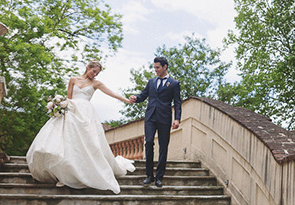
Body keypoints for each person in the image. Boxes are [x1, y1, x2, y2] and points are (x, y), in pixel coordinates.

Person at [26, 61, 135, 194]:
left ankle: (83, 173)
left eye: (97, 73)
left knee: (88, 143)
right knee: (67, 142)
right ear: (87, 68)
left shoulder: (96, 83)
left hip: (87, 114)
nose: (95, 75)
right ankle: (65, 175)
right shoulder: (73, 79)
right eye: (94, 71)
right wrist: (61, 107)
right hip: (72, 112)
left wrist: (126, 100)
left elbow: (111, 93)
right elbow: (69, 98)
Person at [129, 56, 181, 188]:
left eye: (158, 67)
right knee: (149, 142)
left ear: (165, 67)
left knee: (163, 147)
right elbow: (143, 96)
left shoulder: (174, 84)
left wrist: (177, 119)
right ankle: (149, 176)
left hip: (165, 118)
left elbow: (178, 103)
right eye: (155, 67)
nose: (156, 70)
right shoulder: (151, 82)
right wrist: (136, 98)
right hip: (150, 117)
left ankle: (159, 177)